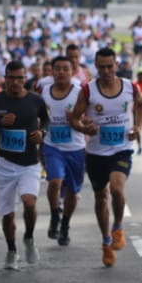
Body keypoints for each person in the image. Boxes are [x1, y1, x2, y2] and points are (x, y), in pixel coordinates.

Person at [67, 46, 142, 267]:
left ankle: (118, 226)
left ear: (116, 65)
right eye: (101, 67)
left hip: (122, 148)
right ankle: (106, 241)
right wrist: (83, 129)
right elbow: (74, 118)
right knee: (101, 197)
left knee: (117, 188)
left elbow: (141, 105)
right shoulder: (88, 90)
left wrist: (137, 126)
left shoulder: (130, 87)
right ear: (96, 67)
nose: (106, 70)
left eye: (110, 66)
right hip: (96, 153)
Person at [0, 60, 49, 268]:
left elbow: (46, 121)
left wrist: (42, 133)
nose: (15, 82)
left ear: (25, 79)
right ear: (5, 79)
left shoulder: (35, 101)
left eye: (20, 78)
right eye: (11, 78)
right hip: (5, 163)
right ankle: (12, 250)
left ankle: (29, 238)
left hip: (29, 163)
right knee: (8, 213)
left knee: (30, 202)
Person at [39, 55, 87, 247]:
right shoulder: (43, 92)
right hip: (52, 147)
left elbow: (89, 118)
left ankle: (65, 224)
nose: (61, 72)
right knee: (55, 181)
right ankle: (54, 214)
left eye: (65, 69)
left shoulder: (80, 92)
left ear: (72, 71)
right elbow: (39, 118)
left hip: (75, 148)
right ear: (52, 71)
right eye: (57, 68)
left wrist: (77, 121)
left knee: (72, 192)